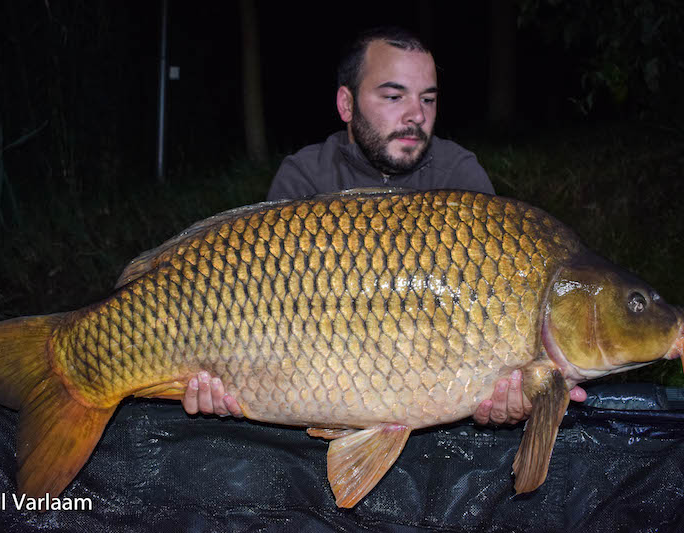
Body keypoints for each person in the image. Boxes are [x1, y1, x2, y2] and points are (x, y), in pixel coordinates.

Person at [182, 26, 586, 425]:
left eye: (428, 99)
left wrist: (505, 401)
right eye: (394, 96)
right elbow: (250, 308)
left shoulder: (460, 178)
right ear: (346, 104)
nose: (416, 115)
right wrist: (225, 383)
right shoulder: (305, 178)